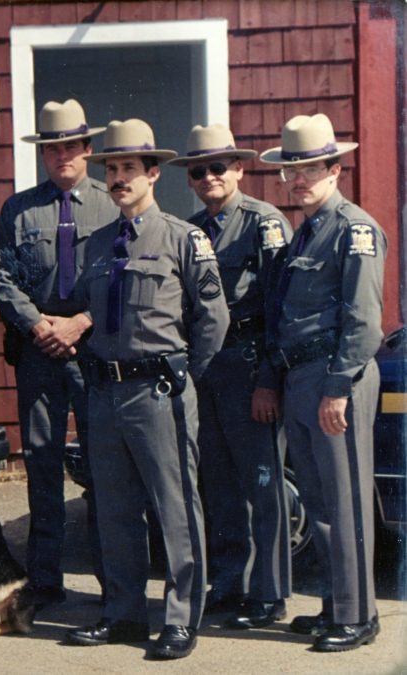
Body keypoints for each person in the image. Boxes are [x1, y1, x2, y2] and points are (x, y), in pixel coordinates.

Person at [67, 119, 229, 660]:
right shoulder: (95, 244)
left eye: (128, 169)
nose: (117, 179)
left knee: (175, 508)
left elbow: (213, 320)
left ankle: (181, 620)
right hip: (106, 393)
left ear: (153, 174)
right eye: (111, 170)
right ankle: (124, 614)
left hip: (160, 391)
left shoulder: (185, 238)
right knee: (113, 510)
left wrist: (186, 376)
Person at [258, 113, 385, 651]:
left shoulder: (353, 229)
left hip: (337, 377)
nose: (301, 178)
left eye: (312, 168)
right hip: (300, 377)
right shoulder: (306, 233)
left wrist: (337, 386)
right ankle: (336, 604)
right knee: (318, 500)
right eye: (293, 169)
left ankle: (358, 615)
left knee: (345, 500)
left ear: (335, 168)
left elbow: (363, 321)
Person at [0, 99, 117, 608]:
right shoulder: (19, 210)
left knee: (103, 464)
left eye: (71, 146)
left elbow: (124, 275)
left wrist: (81, 321)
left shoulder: (113, 205)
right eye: (53, 148)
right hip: (39, 351)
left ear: (88, 149)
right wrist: (41, 324)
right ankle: (45, 579)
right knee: (41, 463)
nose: (62, 155)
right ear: (43, 154)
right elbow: (1, 278)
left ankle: (114, 579)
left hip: (94, 350)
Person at [166, 124, 293, 626]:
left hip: (250, 363)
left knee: (262, 483)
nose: (209, 177)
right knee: (217, 483)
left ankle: (269, 594)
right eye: (199, 171)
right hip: (209, 368)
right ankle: (229, 583)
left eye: (219, 167)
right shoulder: (192, 230)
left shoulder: (265, 224)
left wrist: (269, 377)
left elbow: (280, 309)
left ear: (239, 169)